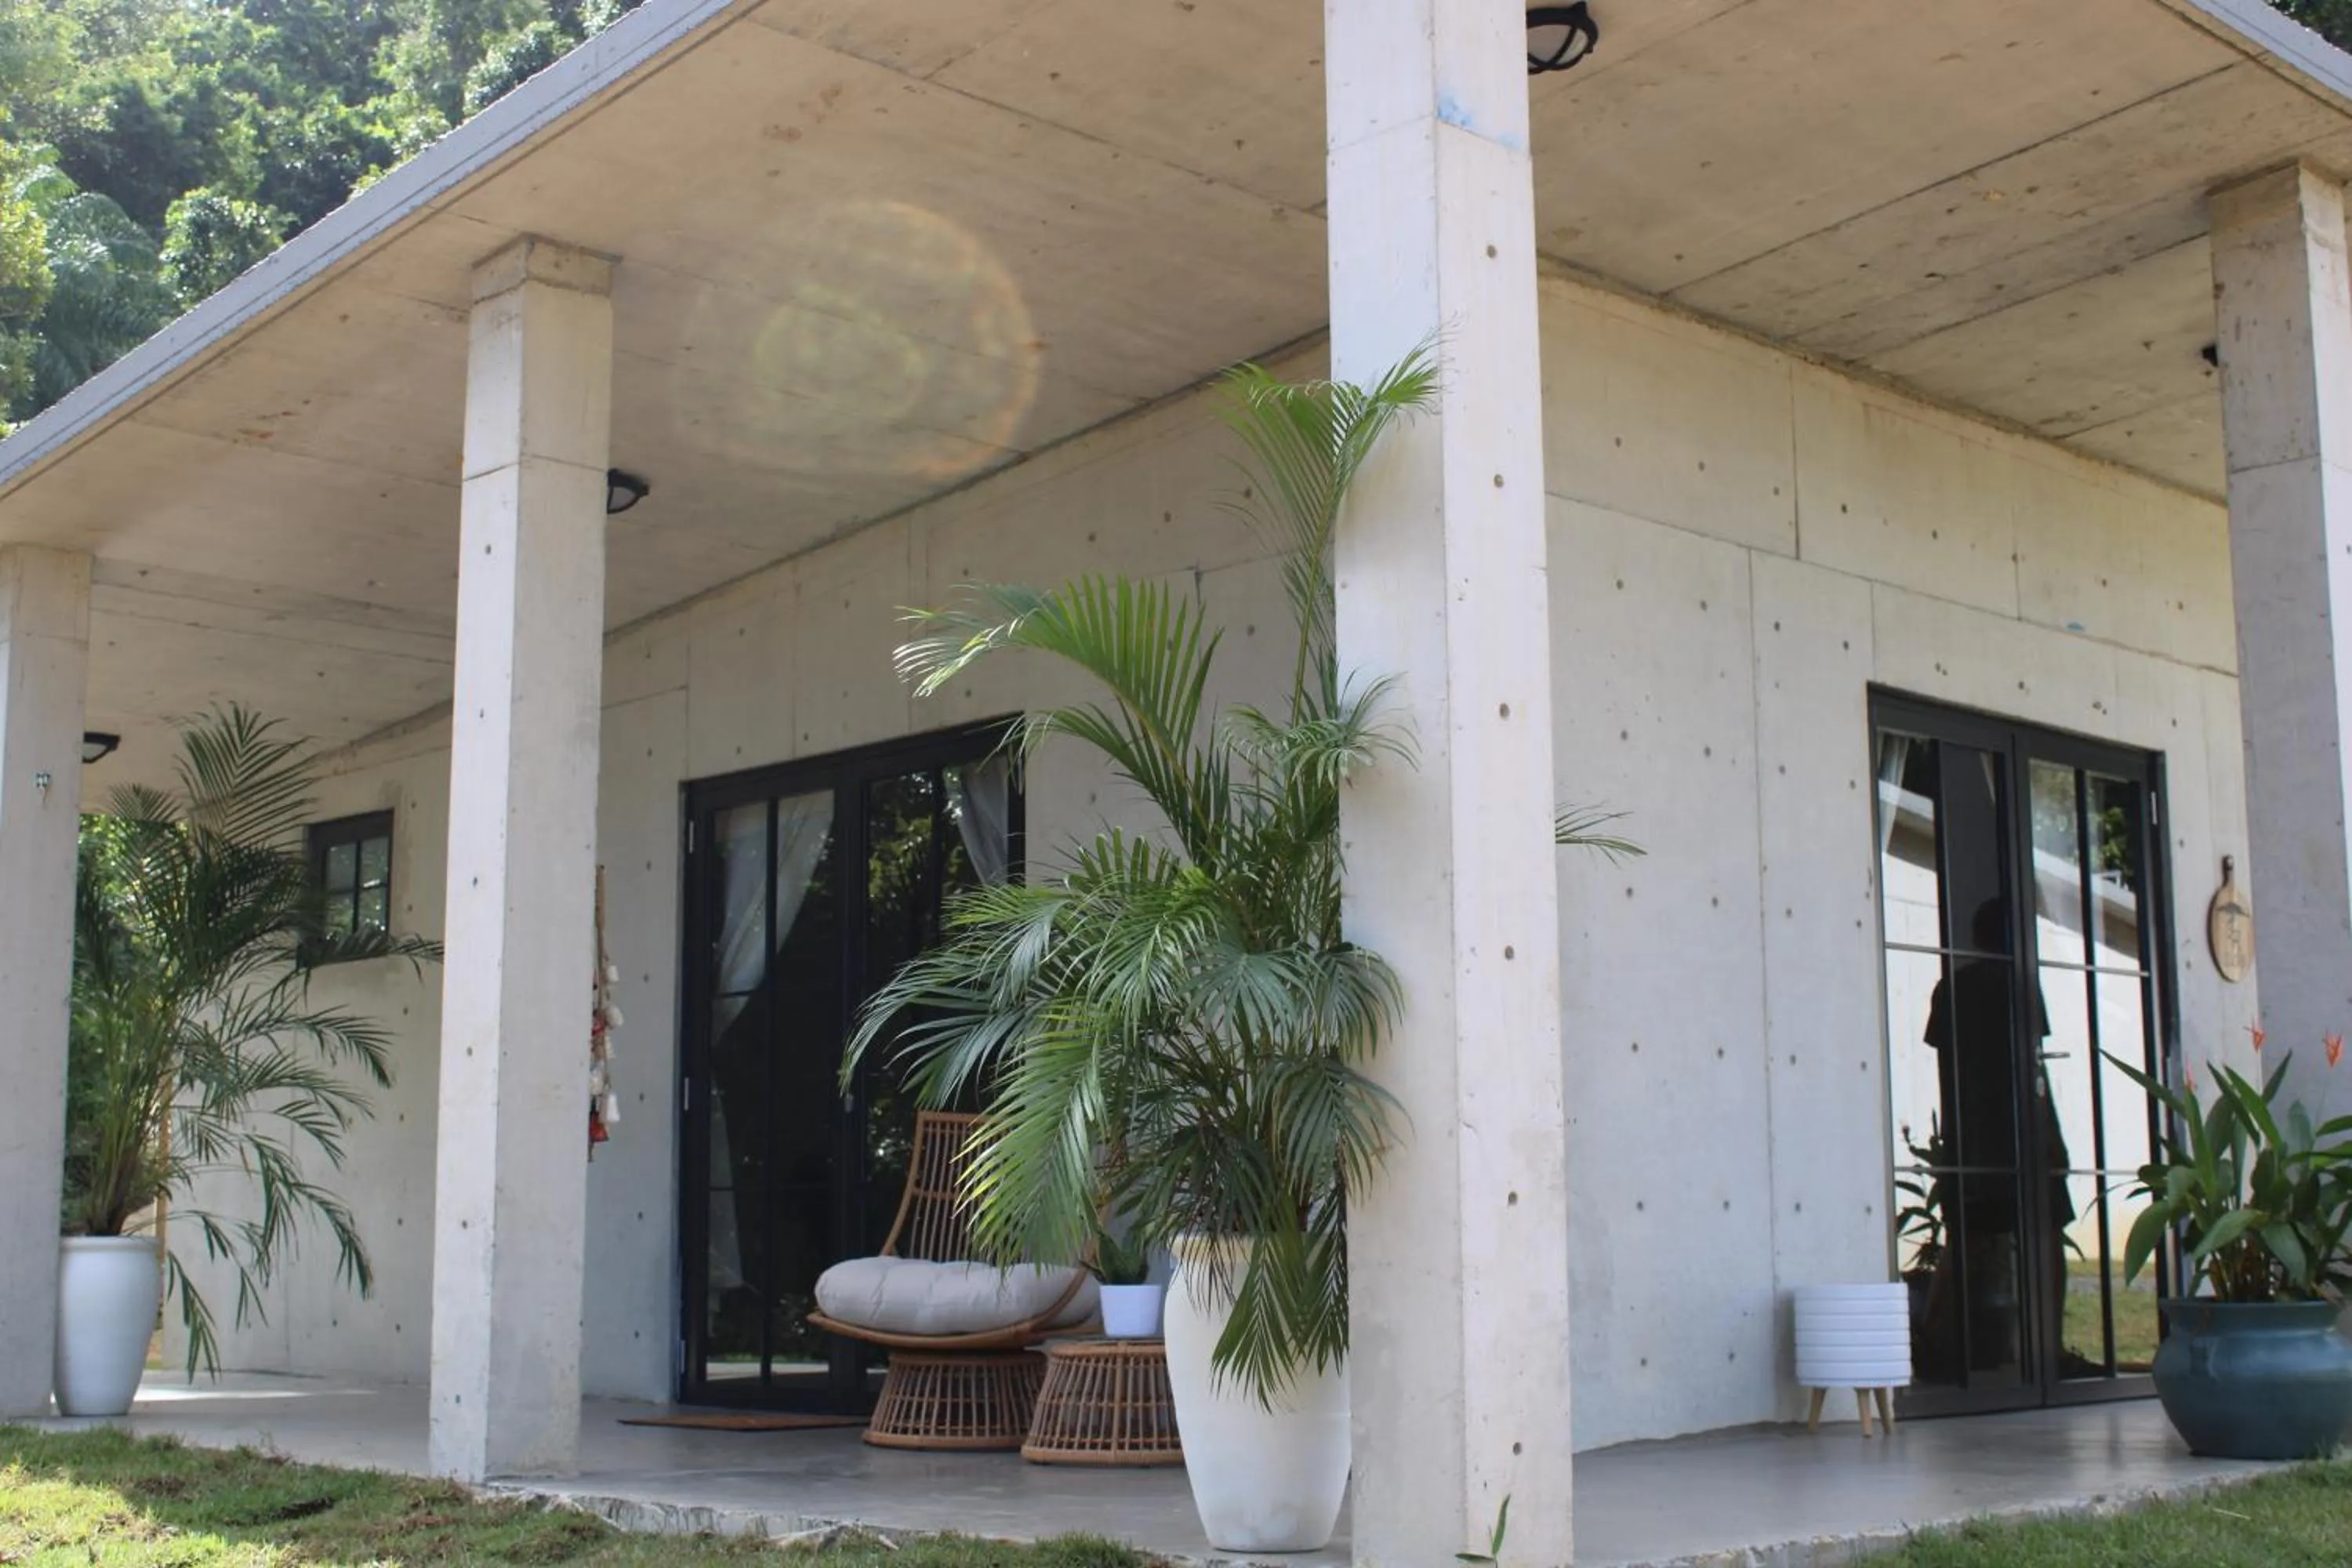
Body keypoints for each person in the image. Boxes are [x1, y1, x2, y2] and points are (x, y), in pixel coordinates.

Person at [1918, 897, 2074, 1380]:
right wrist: (2052, 1139)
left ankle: (1936, 1346)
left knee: (1967, 1240)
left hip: (1973, 1138)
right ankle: (2048, 1348)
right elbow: (2034, 1067)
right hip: (2021, 1136)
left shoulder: (1950, 989)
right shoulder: (2019, 985)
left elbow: (1945, 1063)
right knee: (2046, 1237)